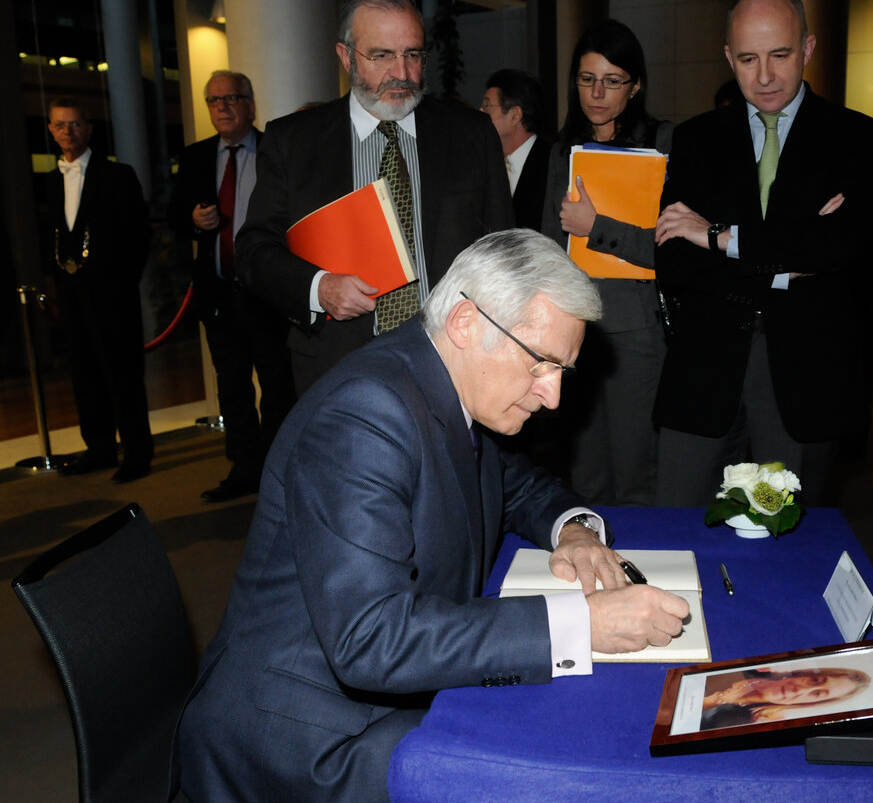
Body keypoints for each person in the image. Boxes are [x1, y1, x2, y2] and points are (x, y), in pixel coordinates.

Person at [176, 229, 690, 803]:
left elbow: (511, 481)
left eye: (561, 372)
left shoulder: (449, 380)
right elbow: (370, 641)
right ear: (467, 322)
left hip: (369, 700)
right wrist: (581, 624)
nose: (554, 397)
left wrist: (572, 528)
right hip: (311, 737)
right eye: (542, 364)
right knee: (559, 765)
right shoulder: (365, 415)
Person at [653, 0, 873, 505]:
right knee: (675, 536)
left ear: (808, 48)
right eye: (748, 59)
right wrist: (790, 261)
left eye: (780, 55)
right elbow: (675, 257)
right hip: (703, 374)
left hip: (804, 379)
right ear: (728, 57)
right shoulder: (695, 139)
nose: (764, 75)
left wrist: (719, 237)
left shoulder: (855, 137)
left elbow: (843, 248)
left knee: (781, 544)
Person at [237, 0, 513, 394]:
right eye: (381, 56)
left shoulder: (471, 134)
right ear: (346, 57)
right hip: (339, 365)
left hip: (454, 360)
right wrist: (320, 288)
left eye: (413, 55)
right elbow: (254, 251)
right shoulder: (294, 141)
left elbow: (501, 250)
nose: (401, 72)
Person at [540, 20, 672, 507]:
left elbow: (670, 249)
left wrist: (596, 227)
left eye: (612, 80)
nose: (597, 93)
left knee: (637, 474)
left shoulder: (661, 143)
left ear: (635, 85)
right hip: (575, 331)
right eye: (586, 79)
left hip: (635, 332)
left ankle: (640, 576)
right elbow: (548, 246)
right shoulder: (562, 149)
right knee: (585, 474)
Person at [169, 70, 296, 502]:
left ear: (251, 105)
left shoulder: (273, 151)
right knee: (233, 386)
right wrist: (191, 220)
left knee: (277, 385)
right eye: (213, 101)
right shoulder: (195, 157)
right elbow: (171, 216)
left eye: (231, 99)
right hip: (219, 292)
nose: (221, 108)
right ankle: (244, 468)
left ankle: (276, 470)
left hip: (267, 294)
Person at [39, 96, 154, 483]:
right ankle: (100, 447)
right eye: (60, 125)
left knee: (122, 374)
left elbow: (139, 235)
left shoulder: (117, 175)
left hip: (112, 294)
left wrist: (121, 283)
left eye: (74, 124)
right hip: (71, 294)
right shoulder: (51, 180)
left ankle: (137, 451)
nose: (67, 132)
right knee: (84, 372)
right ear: (51, 131)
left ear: (88, 130)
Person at [481, 69, 550, 232]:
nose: (480, 112)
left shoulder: (551, 164)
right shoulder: (484, 163)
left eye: (486, 106)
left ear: (515, 115)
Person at [700, 667, 871, 728]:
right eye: (815, 680)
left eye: (817, 694)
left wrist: (716, 700)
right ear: (804, 674)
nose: (800, 690)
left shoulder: (742, 719)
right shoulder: (758, 669)